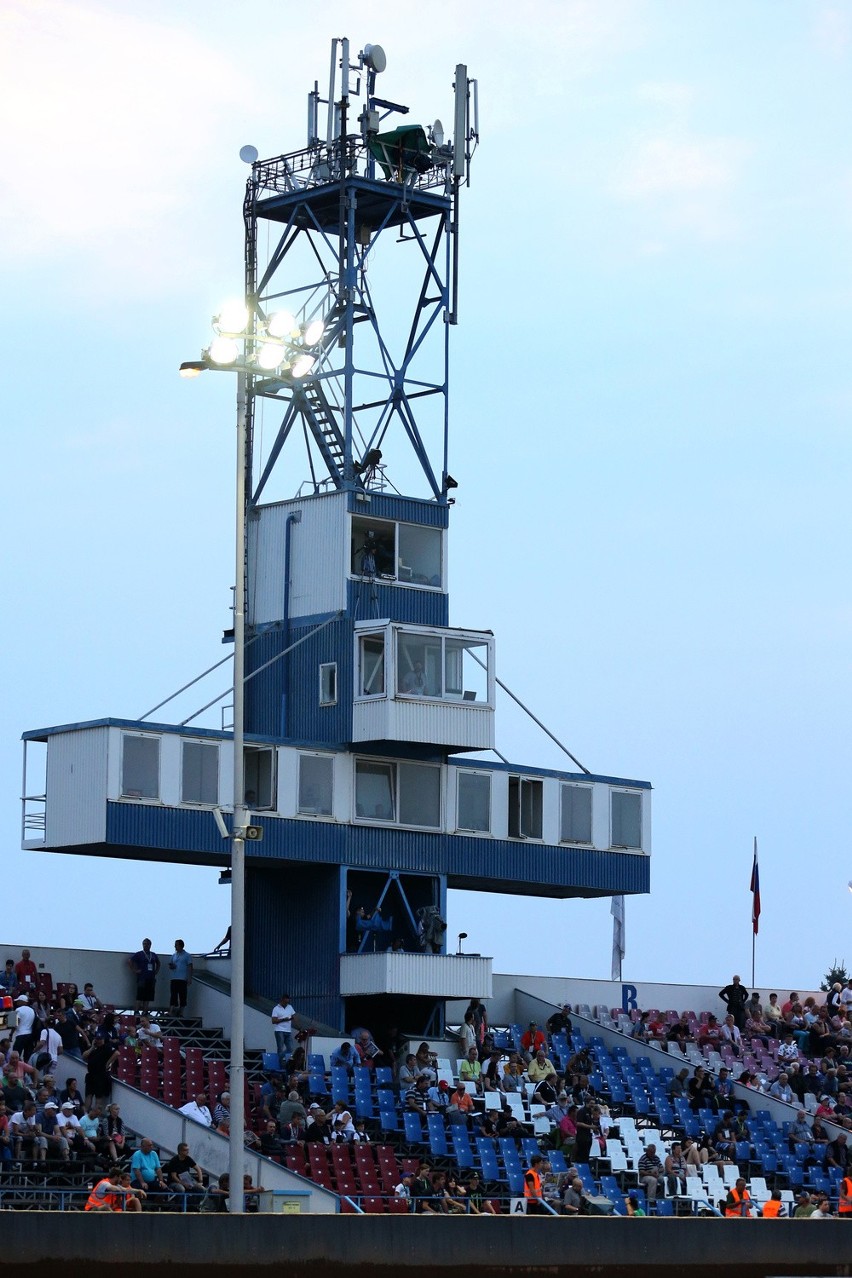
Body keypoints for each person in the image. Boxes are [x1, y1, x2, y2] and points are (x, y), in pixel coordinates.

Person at [164, 1141, 205, 1207]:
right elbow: (174, 1176)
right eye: (185, 1150)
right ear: (180, 1151)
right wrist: (184, 1184)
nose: (187, 1152)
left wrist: (200, 1181)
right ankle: (178, 1207)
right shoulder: (174, 1160)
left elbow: (198, 1169)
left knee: (202, 1189)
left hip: (187, 1181)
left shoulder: (188, 1159)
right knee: (181, 1189)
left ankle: (194, 1206)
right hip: (174, 1182)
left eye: (188, 1150)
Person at [130, 1136, 169, 1203]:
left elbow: (158, 1169)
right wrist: (142, 1182)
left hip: (151, 1181)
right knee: (142, 1188)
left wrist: (161, 1181)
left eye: (151, 1145)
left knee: (163, 1187)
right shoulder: (137, 1154)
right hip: (138, 1181)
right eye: (149, 1145)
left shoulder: (154, 1154)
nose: (151, 1147)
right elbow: (137, 1170)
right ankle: (151, 1202)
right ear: (143, 1146)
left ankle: (157, 1201)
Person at [129, 939, 160, 1014]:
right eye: (144, 944)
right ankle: (136, 1011)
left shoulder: (153, 954)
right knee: (140, 995)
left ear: (150, 945)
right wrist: (135, 970)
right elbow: (130, 961)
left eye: (147, 944)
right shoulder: (139, 954)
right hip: (142, 978)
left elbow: (158, 963)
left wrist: (156, 971)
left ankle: (145, 1011)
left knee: (148, 996)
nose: (145, 945)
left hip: (151, 978)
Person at [168, 940, 193, 1017]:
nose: (175, 947)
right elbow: (170, 966)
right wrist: (172, 966)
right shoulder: (174, 955)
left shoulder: (187, 955)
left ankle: (181, 1012)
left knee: (182, 995)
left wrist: (189, 978)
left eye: (176, 945)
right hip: (174, 978)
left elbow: (190, 967)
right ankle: (171, 1011)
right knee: (173, 995)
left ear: (181, 946)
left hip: (182, 978)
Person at [271, 993, 296, 1061]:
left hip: (288, 1031)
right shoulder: (276, 1008)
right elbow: (273, 1021)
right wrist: (283, 1019)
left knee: (290, 1049)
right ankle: (279, 1061)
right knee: (280, 1048)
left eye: (287, 1002)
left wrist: (298, 1026)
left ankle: (279, 1058)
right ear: (281, 1000)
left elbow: (294, 1017)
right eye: (285, 1002)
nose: (286, 1004)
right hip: (279, 1030)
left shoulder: (290, 1007)